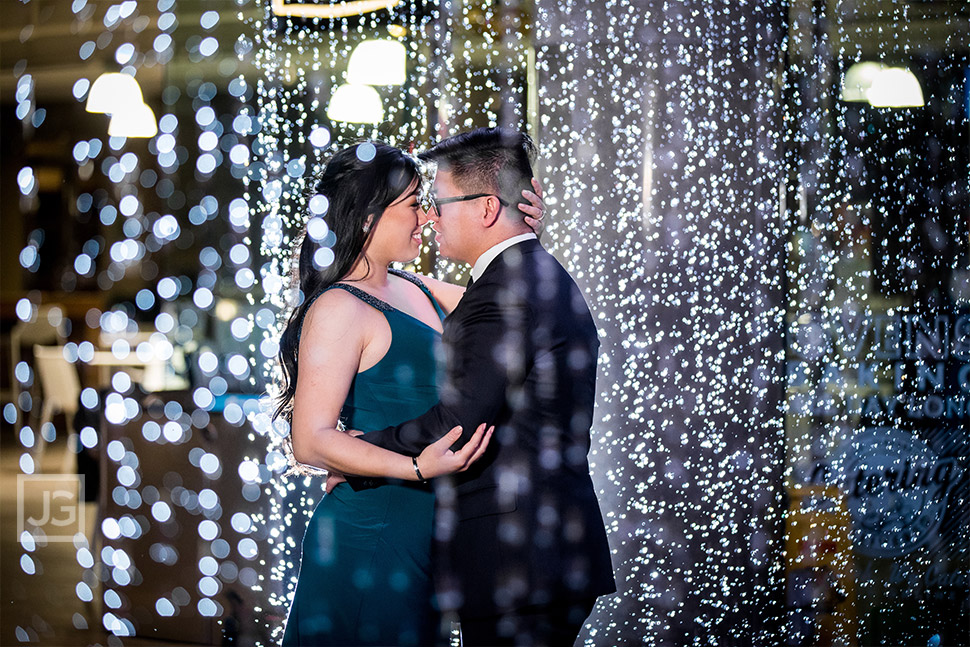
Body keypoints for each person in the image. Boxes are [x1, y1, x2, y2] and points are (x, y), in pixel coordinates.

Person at [351, 128, 616, 646]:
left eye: (439, 202)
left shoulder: (507, 290)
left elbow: (457, 423)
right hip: (544, 552)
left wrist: (357, 452)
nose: (431, 216)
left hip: (517, 561)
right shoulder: (528, 274)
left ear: (487, 208)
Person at [276, 141, 545, 646]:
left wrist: (521, 229)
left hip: (433, 536)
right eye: (414, 205)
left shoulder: (417, 287)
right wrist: (416, 467)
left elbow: (520, 296)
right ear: (366, 218)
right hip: (374, 532)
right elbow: (309, 441)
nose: (427, 217)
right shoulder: (338, 307)